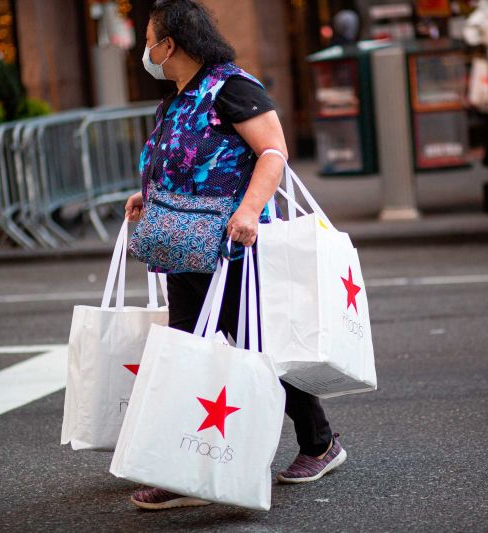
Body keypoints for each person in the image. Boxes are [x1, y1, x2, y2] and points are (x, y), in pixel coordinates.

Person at [124, 0, 346, 511]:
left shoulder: (231, 86)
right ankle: (186, 471)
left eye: (149, 39)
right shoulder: (177, 97)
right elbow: (181, 159)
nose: (146, 51)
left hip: (231, 248)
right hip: (183, 247)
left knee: (258, 352)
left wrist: (248, 211)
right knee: (187, 354)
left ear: (170, 45)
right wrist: (149, 192)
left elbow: (273, 152)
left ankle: (320, 443)